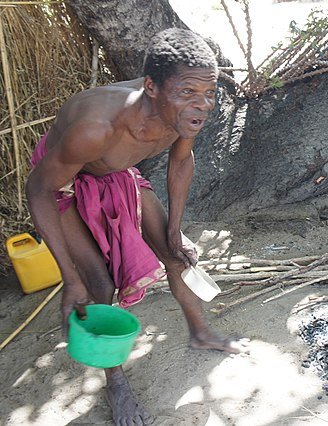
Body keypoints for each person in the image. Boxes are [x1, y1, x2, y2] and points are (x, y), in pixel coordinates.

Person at [26, 28, 247, 425]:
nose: (202, 105)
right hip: (63, 180)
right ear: (151, 87)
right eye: (188, 92)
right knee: (98, 285)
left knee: (176, 256)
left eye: (209, 93)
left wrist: (174, 231)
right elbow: (39, 189)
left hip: (114, 170)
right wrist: (68, 276)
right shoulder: (96, 127)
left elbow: (181, 161)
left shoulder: (180, 112)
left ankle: (200, 333)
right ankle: (115, 382)